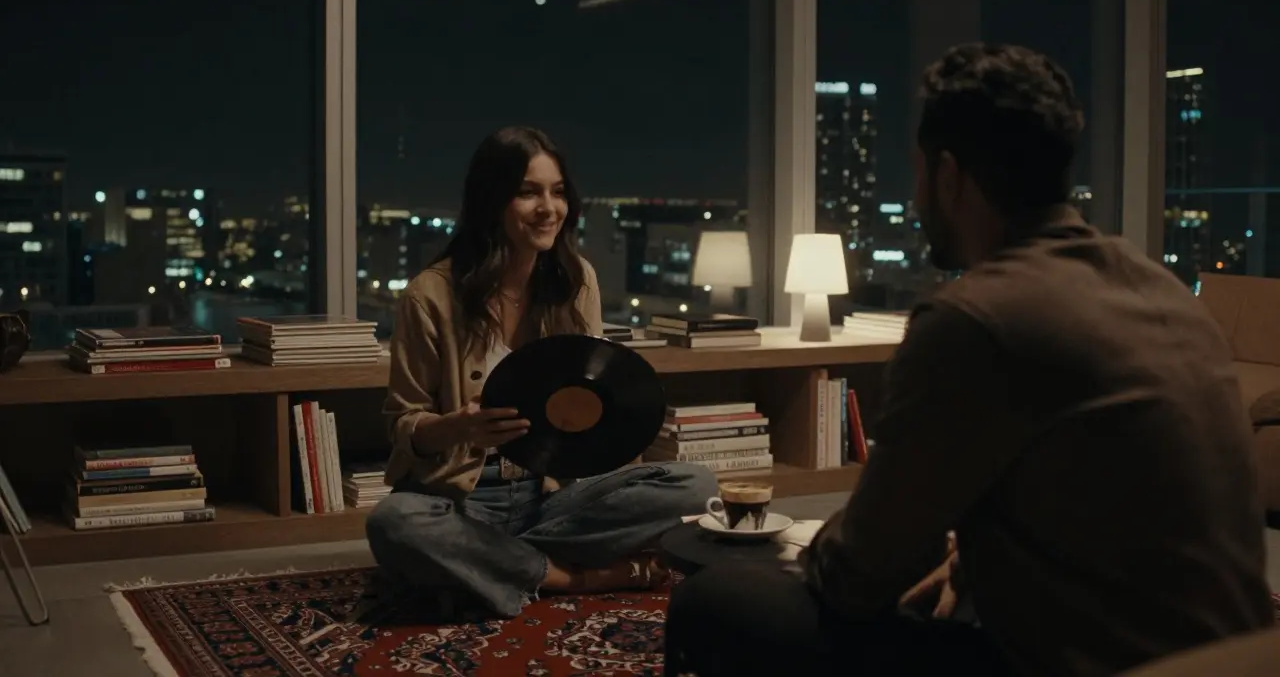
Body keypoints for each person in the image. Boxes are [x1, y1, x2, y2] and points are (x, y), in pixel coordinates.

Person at [664, 43, 1275, 676]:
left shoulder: (974, 319)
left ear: (949, 175)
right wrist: (968, 561)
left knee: (717, 599)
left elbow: (858, 576)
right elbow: (1116, 497)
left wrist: (819, 552)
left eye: (920, 172)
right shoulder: (1164, 291)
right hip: (1234, 656)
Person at [367, 126, 717, 619]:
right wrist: (459, 427)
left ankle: (482, 564)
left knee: (697, 485)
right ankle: (574, 577)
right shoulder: (431, 294)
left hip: (551, 495)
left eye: (557, 192)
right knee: (395, 522)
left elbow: (600, 389)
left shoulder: (578, 282)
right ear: (492, 201)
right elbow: (402, 425)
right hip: (462, 499)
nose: (548, 208)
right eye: (527, 192)